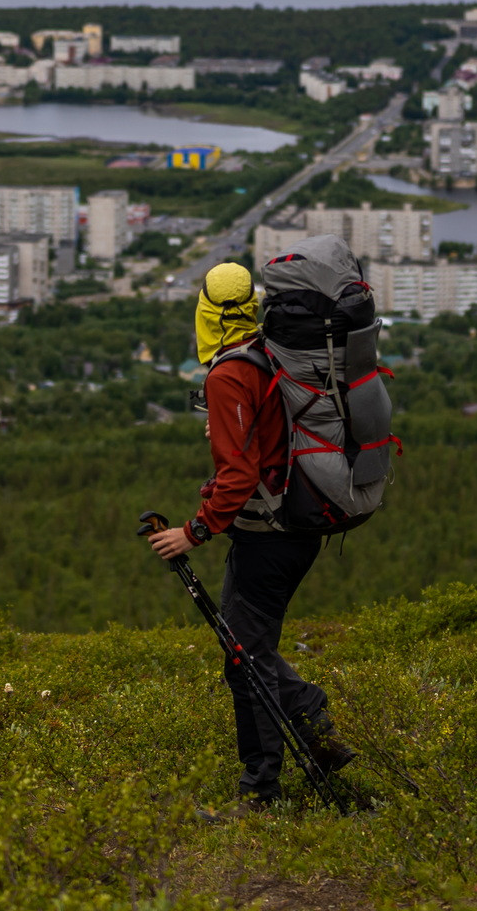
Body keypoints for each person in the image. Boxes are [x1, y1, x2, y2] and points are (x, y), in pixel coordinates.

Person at [146, 260, 353, 806]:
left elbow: (240, 473)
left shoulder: (228, 373)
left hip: (271, 535)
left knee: (244, 659)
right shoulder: (266, 351)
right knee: (248, 651)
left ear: (208, 313)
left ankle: (264, 789)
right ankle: (299, 728)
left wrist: (194, 531)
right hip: (295, 526)